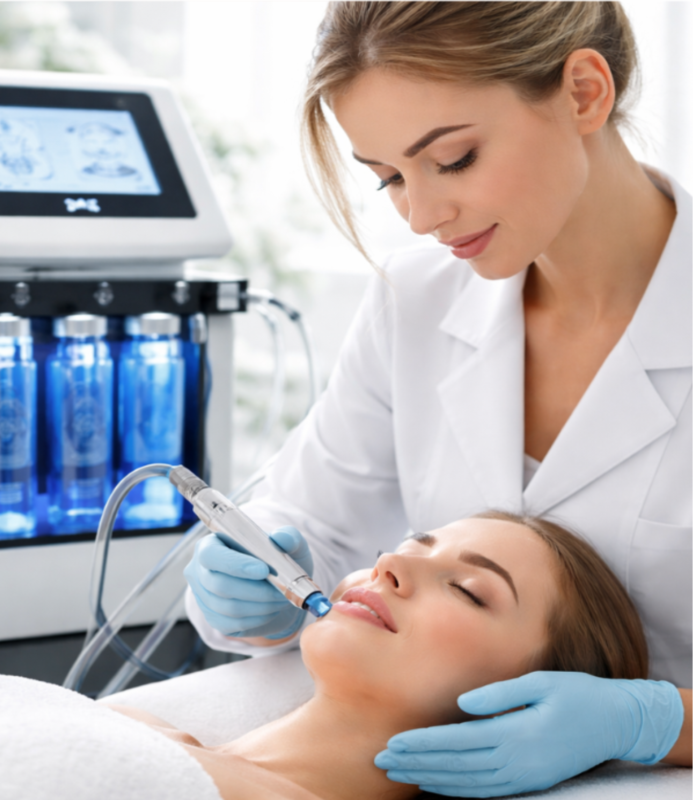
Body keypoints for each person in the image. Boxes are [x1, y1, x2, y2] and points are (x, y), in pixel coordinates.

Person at [184, 2, 693, 795]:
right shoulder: (417, 298)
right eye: (389, 178)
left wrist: (654, 721)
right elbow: (308, 528)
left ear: (585, 93)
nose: (421, 216)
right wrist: (255, 582)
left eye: (452, 160)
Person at [120, 513, 651, 800]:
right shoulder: (136, 727)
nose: (390, 564)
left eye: (466, 590)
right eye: (405, 547)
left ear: (524, 709)